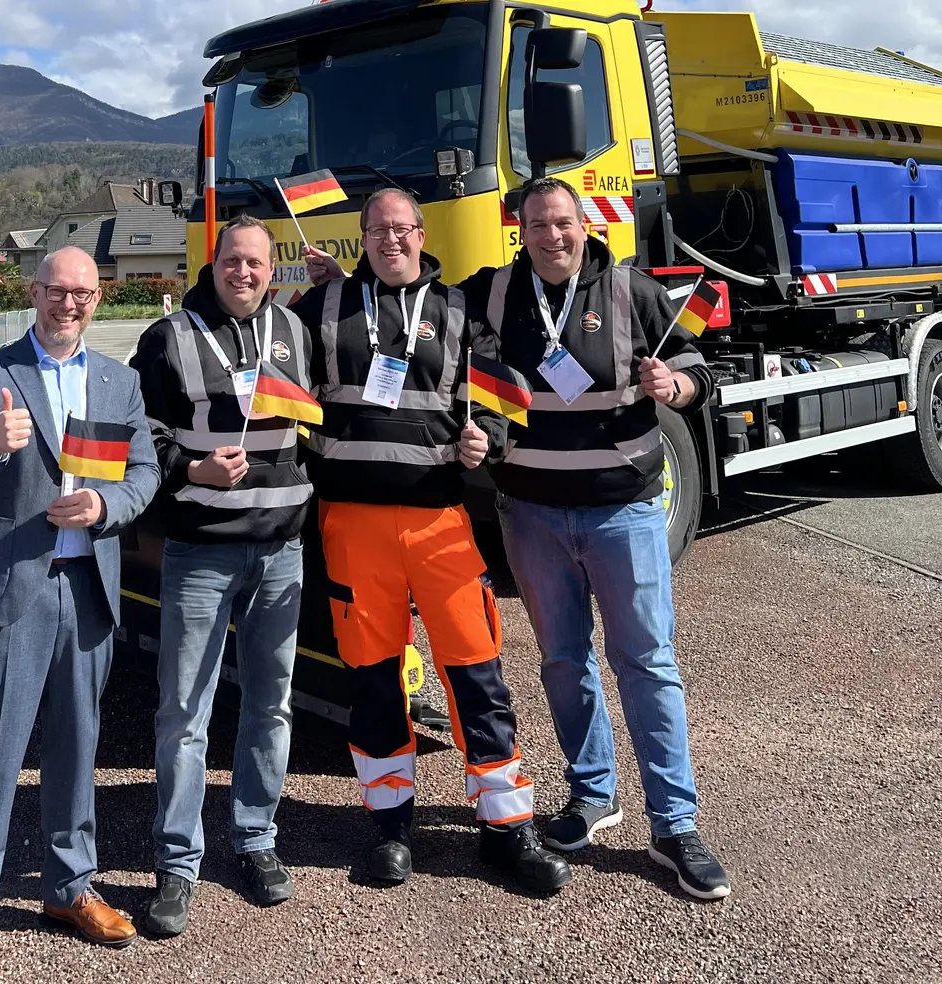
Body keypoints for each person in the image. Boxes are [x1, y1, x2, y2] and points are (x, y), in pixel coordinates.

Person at [290, 188, 571, 893]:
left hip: (438, 520)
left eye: (402, 228)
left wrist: (490, 437)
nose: (391, 239)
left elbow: (499, 395)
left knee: (476, 671)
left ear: (421, 234)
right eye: (377, 230)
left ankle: (506, 826)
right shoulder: (321, 307)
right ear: (361, 238)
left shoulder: (457, 309)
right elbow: (268, 359)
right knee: (373, 678)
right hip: (352, 524)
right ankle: (389, 828)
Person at [462, 177, 730, 900]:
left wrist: (676, 387)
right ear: (518, 231)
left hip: (624, 513)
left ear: (584, 224)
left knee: (646, 663)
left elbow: (699, 368)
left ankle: (675, 825)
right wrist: (335, 281)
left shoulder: (631, 290)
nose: (552, 236)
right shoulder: (492, 294)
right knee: (562, 661)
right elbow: (410, 303)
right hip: (532, 514)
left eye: (563, 222)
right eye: (537, 225)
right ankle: (592, 793)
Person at [0, 246, 160, 984]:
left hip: (87, 590)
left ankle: (69, 888)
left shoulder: (119, 381)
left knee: (77, 748)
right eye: (57, 290)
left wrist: (105, 504)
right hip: (8, 596)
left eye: (83, 294)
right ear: (34, 293)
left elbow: (145, 471)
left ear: (98, 300)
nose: (69, 304)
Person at [130, 214, 313, 935]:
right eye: (233, 260)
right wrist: (191, 468)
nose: (245, 272)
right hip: (201, 552)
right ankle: (177, 862)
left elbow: (319, 422)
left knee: (271, 704)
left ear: (273, 268)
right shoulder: (169, 336)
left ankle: (255, 838)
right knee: (184, 712)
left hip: (281, 550)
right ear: (214, 262)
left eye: (257, 263)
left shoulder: (293, 331)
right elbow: (141, 434)